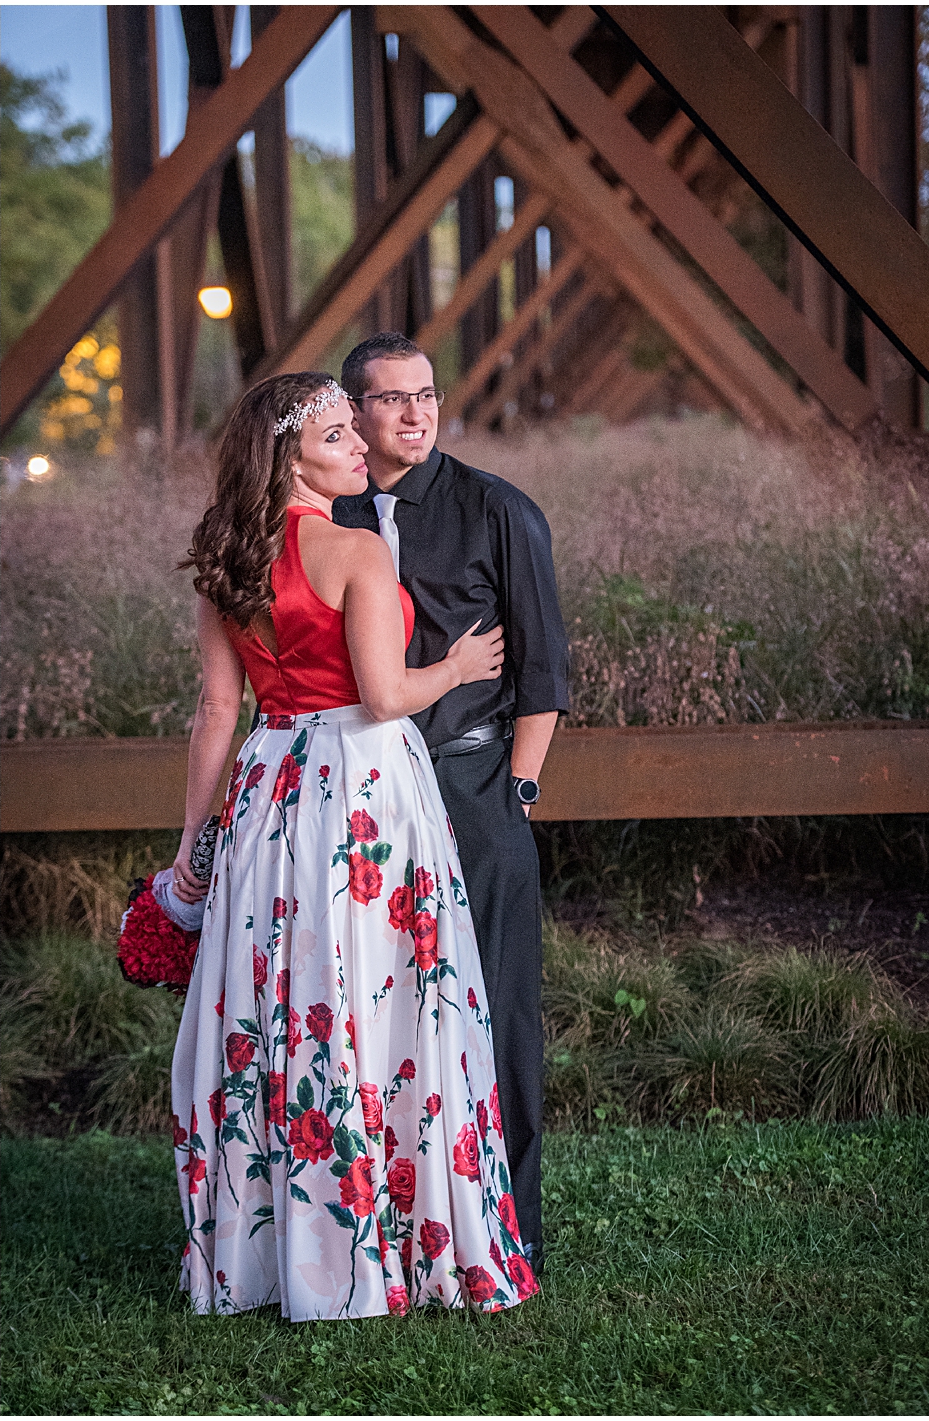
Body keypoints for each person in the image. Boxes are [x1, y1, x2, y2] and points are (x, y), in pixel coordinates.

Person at [171, 371, 537, 1318]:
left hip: (270, 785)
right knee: (378, 992)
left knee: (283, 996)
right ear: (291, 454)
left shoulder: (227, 556)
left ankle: (272, 1249)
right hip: (365, 788)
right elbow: (383, 696)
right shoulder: (357, 549)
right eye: (338, 435)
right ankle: (387, 1238)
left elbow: (219, 710)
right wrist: (453, 665)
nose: (359, 448)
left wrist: (190, 845)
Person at [330, 332, 568, 1272]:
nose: (417, 413)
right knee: (374, 1014)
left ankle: (511, 1229)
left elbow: (544, 672)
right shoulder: (325, 511)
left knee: (497, 1014)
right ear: (354, 412)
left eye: (426, 394)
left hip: (471, 786)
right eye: (392, 399)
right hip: (358, 795)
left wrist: (516, 789)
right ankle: (390, 1227)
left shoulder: (498, 509)